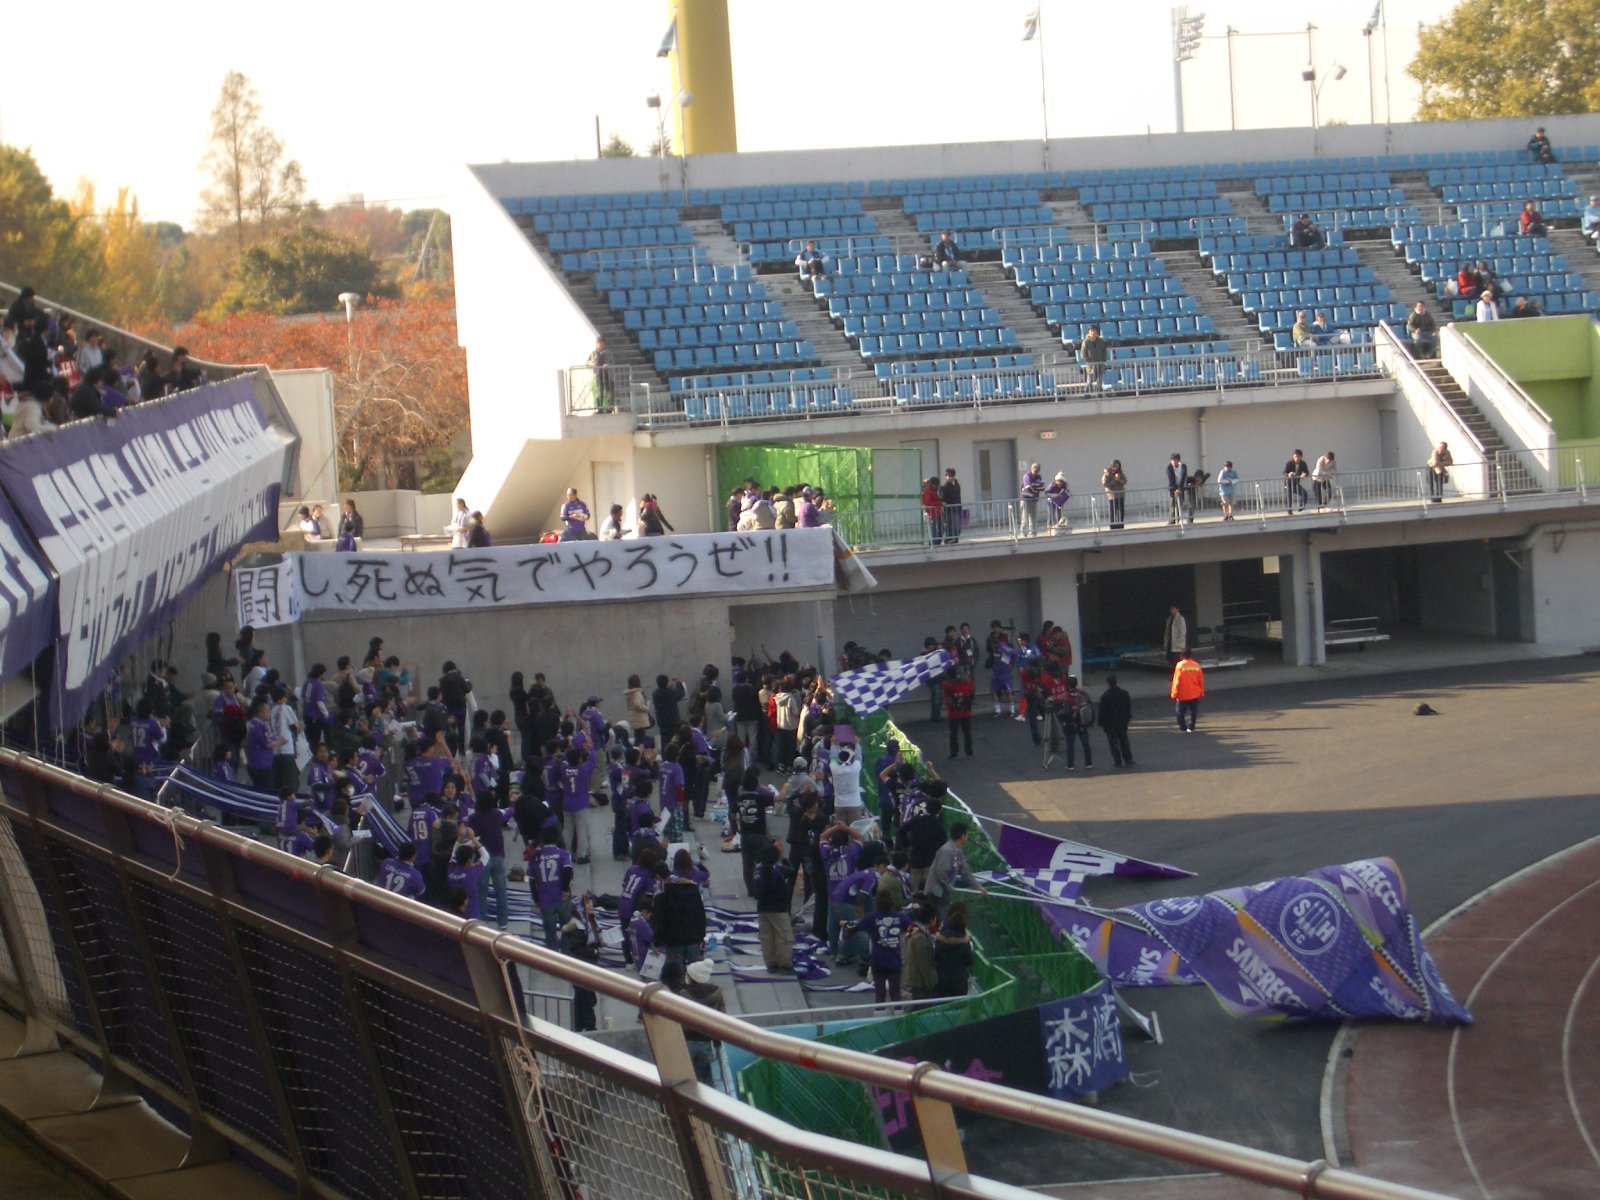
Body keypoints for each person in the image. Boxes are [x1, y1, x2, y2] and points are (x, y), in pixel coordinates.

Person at [923, 820, 984, 918]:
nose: (967, 838)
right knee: (943, 917)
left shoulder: (958, 852)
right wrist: (948, 885)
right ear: (962, 836)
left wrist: (978, 888)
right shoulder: (947, 850)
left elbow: (966, 872)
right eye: (967, 835)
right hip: (936, 891)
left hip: (943, 890)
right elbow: (941, 872)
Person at [753, 842, 797, 973]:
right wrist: (784, 858)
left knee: (767, 936)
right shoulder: (778, 870)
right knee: (784, 936)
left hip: (762, 907)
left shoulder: (757, 870)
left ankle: (771, 963)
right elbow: (792, 872)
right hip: (778, 908)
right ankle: (785, 964)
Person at [932, 908, 973, 998]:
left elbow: (936, 956)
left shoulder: (940, 940)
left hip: (942, 978)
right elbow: (969, 961)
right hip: (959, 979)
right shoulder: (965, 942)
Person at [1097, 673, 1134, 767]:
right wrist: (1127, 717)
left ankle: (1118, 761)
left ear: (1108, 684)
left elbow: (1102, 711)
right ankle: (1128, 759)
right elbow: (1128, 707)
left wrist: (1100, 722)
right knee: (1124, 740)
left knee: (1113, 743)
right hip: (1122, 722)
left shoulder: (1105, 696)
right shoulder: (1124, 693)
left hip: (1110, 724)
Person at [942, 666, 974, 759]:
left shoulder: (946, 684)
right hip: (965, 711)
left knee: (953, 733)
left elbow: (946, 697)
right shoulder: (967, 684)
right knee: (967, 732)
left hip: (953, 713)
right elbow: (971, 695)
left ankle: (954, 753)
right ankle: (969, 752)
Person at [1170, 648, 1205, 733]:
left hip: (1183, 693)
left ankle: (1183, 727)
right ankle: (1192, 725)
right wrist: (1201, 692)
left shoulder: (1180, 665)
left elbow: (1176, 681)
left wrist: (1174, 693)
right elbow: (1200, 680)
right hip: (1194, 692)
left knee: (1180, 712)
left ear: (1181, 656)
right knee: (1193, 711)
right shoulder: (1196, 665)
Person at [1080, 324, 1108, 393]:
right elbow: (1083, 354)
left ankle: (1099, 393)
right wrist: (1088, 361)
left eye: (1094, 331)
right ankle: (1087, 393)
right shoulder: (1086, 342)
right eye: (1091, 331)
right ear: (1089, 332)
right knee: (1089, 381)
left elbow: (1104, 351)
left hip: (1100, 364)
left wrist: (1103, 360)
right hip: (1091, 366)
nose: (1093, 332)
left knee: (1099, 381)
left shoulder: (1101, 341)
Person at [937, 468, 962, 545]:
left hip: (957, 507)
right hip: (949, 509)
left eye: (950, 476)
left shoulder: (957, 485)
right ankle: (948, 539)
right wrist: (943, 502)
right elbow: (941, 497)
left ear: (953, 476)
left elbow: (958, 497)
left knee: (957, 525)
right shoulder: (944, 486)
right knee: (950, 524)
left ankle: (955, 539)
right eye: (947, 476)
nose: (948, 477)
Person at [1019, 462, 1044, 536]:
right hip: (1026, 498)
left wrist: (1037, 486)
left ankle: (1033, 532)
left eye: (1037, 469)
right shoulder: (1027, 476)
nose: (1036, 471)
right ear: (1031, 469)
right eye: (1034, 469)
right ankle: (1023, 533)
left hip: (1034, 498)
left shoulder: (1038, 476)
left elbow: (1041, 486)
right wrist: (1036, 486)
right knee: (1025, 517)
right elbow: (1028, 486)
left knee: (1033, 517)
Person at [1283, 448, 1310, 515]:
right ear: (1293, 456)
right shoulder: (1289, 463)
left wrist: (1304, 474)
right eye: (1295, 457)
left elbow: (1307, 472)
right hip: (1288, 483)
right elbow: (1284, 472)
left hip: (1296, 483)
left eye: (1298, 457)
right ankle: (1289, 511)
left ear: (1301, 457)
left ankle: (1301, 509)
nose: (1297, 458)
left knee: (1304, 494)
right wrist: (1289, 474)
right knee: (1289, 496)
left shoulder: (1303, 463)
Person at [1101, 460, 1127, 530]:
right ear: (1111, 466)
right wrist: (1115, 480)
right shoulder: (1107, 474)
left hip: (1120, 495)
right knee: (1113, 511)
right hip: (1112, 496)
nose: (1116, 468)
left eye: (1117, 466)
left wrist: (1119, 480)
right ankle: (1113, 526)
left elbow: (1124, 481)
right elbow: (1106, 484)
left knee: (1121, 511)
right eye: (1114, 466)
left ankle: (1121, 525)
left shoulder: (1120, 473)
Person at [1165, 452, 1189, 525]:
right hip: (1173, 487)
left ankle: (1177, 518)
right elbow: (1171, 479)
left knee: (1180, 503)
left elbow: (1183, 477)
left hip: (1181, 487)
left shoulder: (1183, 466)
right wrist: (1175, 489)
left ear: (1178, 460)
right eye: (1171, 460)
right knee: (1172, 503)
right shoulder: (1169, 467)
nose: (1172, 461)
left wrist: (1180, 488)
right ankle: (1172, 519)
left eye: (1174, 460)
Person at [587, 337, 611, 410]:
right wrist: (592, 364)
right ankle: (599, 408)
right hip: (597, 374)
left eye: (602, 343)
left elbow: (612, 361)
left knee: (607, 391)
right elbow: (587, 362)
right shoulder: (593, 353)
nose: (600, 345)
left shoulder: (608, 353)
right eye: (599, 343)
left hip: (607, 374)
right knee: (599, 391)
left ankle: (609, 408)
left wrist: (608, 365)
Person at [920, 476, 944, 544]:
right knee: (934, 530)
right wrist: (940, 503)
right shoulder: (927, 491)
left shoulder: (935, 490)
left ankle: (937, 542)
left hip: (938, 512)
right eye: (935, 485)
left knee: (940, 529)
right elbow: (929, 503)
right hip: (932, 514)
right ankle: (933, 543)